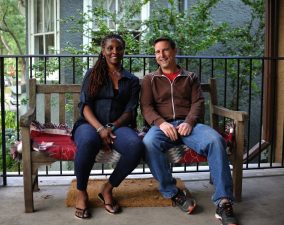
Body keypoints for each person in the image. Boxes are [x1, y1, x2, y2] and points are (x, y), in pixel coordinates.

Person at [140, 37, 238, 225]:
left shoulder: (190, 77)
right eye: (157, 52)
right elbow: (146, 107)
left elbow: (198, 102)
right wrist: (161, 123)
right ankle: (173, 193)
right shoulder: (149, 79)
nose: (161, 55)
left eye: (165, 50)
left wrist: (189, 122)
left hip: (189, 126)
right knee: (148, 143)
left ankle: (223, 201)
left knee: (216, 141)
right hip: (163, 127)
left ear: (174, 51)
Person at [72, 34, 144, 219]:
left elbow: (130, 110)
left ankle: (108, 188)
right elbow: (85, 106)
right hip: (90, 124)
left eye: (119, 48)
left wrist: (111, 126)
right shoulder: (93, 74)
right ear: (103, 51)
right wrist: (100, 129)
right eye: (110, 48)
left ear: (123, 51)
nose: (115, 52)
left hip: (118, 126)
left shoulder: (132, 80)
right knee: (88, 142)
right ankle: (81, 192)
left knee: (135, 146)